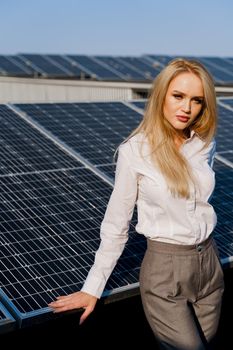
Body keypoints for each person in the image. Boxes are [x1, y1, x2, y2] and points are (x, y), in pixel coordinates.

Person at [48, 58, 225, 350]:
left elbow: (201, 200)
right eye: (178, 96)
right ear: (161, 95)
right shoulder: (136, 151)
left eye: (197, 100)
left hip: (209, 263)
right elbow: (117, 223)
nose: (187, 108)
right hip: (165, 271)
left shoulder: (205, 143)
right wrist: (92, 288)